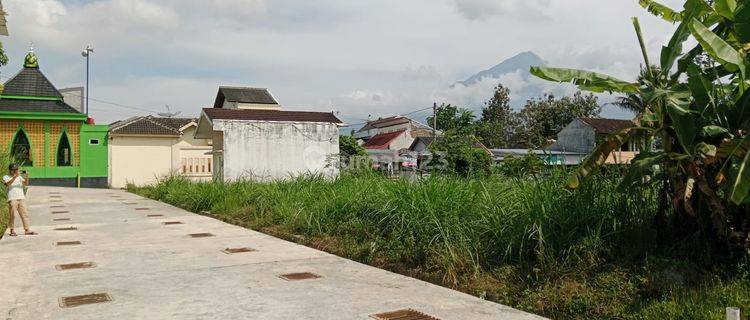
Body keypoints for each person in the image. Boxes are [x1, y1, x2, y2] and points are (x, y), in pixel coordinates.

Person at [3, 163, 36, 236]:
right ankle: (12, 230)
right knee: (13, 215)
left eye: (16, 170)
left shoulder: (19, 177)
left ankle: (27, 230)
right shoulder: (6, 177)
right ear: (10, 170)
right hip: (12, 198)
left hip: (21, 198)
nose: (15, 171)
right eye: (14, 170)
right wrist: (14, 177)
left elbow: (26, 184)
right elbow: (8, 184)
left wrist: (27, 176)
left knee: (25, 214)